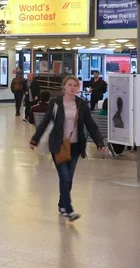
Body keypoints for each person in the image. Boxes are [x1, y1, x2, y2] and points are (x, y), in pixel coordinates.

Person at [30, 76, 107, 222]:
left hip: (75, 146)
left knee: (69, 178)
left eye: (75, 85)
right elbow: (45, 122)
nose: (72, 87)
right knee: (64, 176)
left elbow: (90, 124)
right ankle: (69, 210)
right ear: (63, 87)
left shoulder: (82, 104)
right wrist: (35, 139)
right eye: (69, 85)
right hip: (58, 145)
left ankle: (61, 204)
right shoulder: (55, 103)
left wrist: (99, 143)